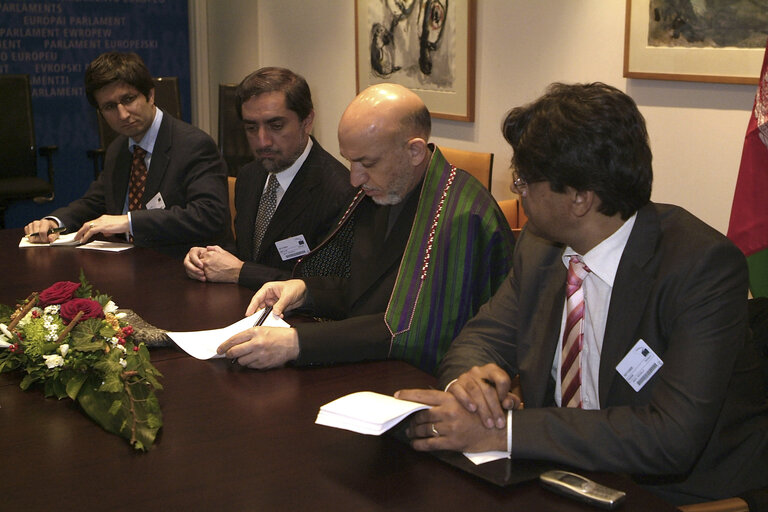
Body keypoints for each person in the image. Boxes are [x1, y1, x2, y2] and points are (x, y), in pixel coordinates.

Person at [395, 83, 768, 505]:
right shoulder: (541, 246)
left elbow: (670, 438)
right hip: (557, 474)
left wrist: (504, 431)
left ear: (579, 199)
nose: (518, 191)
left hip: (674, 494)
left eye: (524, 181)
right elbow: (479, 339)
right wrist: (470, 387)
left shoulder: (701, 268)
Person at [217, 83, 515, 373]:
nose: (354, 179)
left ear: (414, 152)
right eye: (350, 161)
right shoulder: (385, 190)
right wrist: (305, 291)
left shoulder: (461, 216)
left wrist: (297, 343)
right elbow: (366, 292)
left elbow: (414, 329)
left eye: (367, 163)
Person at [23, 52, 229, 258]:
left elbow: (209, 215)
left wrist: (129, 222)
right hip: (131, 263)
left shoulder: (193, 144)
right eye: (110, 107)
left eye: (128, 99)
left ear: (150, 95)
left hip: (179, 263)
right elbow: (94, 203)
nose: (122, 115)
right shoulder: (119, 148)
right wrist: (54, 222)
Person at [183, 68, 355, 289]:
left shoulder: (339, 191)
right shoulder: (249, 176)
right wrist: (207, 259)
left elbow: (327, 287)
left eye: (276, 126)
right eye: (251, 128)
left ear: (307, 121)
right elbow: (249, 253)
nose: (262, 141)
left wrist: (240, 272)